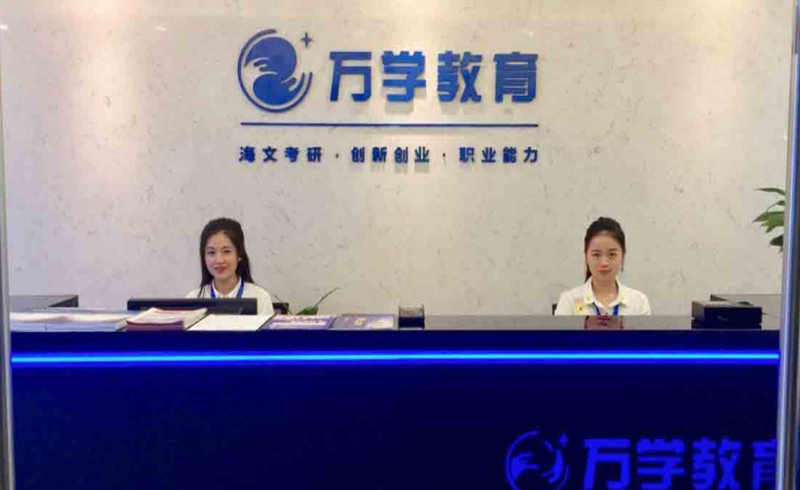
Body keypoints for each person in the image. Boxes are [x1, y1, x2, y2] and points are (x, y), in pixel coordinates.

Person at [555, 217, 651, 316]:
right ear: (586, 256)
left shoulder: (638, 302)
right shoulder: (569, 302)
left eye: (612, 254)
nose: (604, 263)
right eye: (596, 255)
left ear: (623, 256)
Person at [187, 218, 275, 316]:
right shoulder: (193, 299)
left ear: (239, 254)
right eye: (211, 252)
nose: (219, 260)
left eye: (226, 251)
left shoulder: (260, 298)